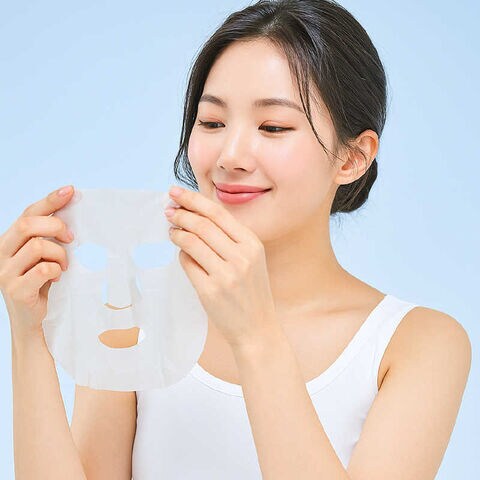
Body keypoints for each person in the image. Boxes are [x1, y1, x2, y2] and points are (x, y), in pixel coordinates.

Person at [1, 0, 471, 478]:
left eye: (273, 127)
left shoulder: (416, 344)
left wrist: (255, 335)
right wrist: (27, 335)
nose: (230, 155)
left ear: (352, 158)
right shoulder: (135, 316)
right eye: (211, 122)